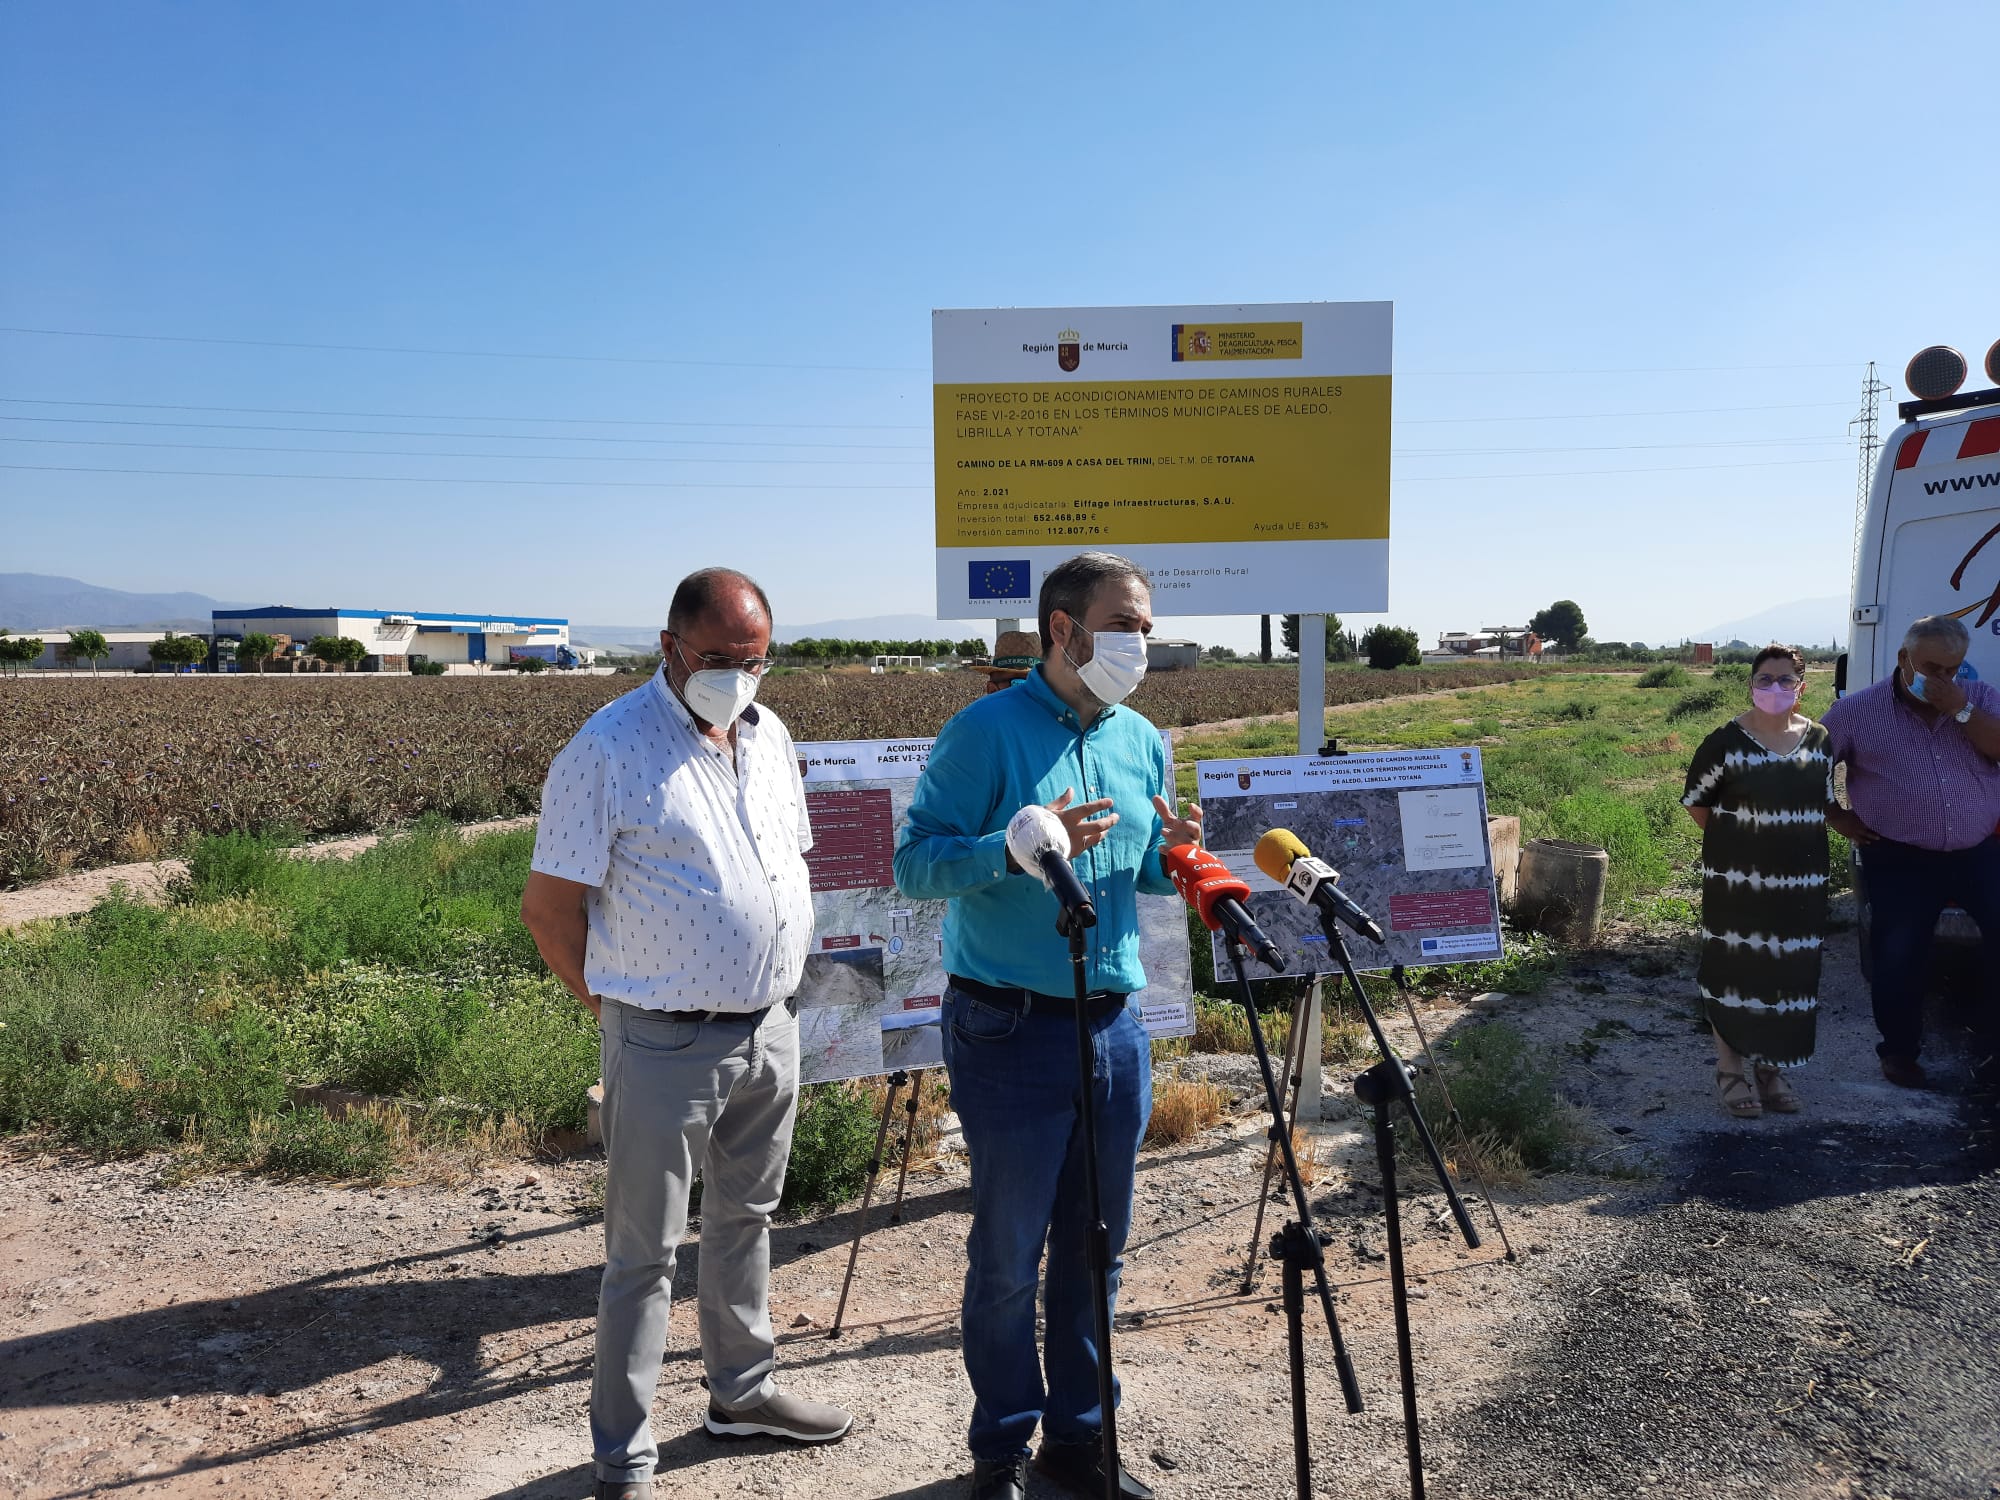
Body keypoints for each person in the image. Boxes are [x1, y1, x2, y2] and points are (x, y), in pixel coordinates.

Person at [520, 568, 851, 1500]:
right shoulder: (608, 748)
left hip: (769, 1028)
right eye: (720, 661)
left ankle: (741, 1394)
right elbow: (548, 910)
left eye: (756, 661)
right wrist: (617, 1012)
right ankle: (622, 1456)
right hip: (663, 1040)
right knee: (643, 1256)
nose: (741, 679)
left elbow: (785, 867)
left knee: (747, 1221)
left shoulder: (769, 733)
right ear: (670, 648)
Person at [893, 552, 1200, 1500]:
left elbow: (1139, 877)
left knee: (1096, 1247)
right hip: (1009, 1028)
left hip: (1113, 1029)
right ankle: (1002, 1451)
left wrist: (1177, 859)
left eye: (1147, 628)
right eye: (1127, 627)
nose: (1142, 645)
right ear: (1063, 630)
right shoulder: (983, 732)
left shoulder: (1142, 738)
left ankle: (1080, 1441)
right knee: (1008, 1253)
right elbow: (916, 865)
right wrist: (1018, 848)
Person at [1822, 614, 2000, 1089]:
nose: (1941, 679)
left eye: (1952, 669)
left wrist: (1961, 709)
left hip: (1978, 851)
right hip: (1901, 856)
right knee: (1899, 955)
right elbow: (1805, 768)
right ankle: (1899, 1053)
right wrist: (1836, 814)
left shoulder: (1979, 699)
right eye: (1931, 668)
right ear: (1903, 659)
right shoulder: (1856, 712)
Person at [1681, 645, 1830, 1117]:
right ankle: (1730, 1069)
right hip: (1738, 883)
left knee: (1789, 972)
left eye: (1785, 680)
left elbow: (1822, 803)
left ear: (1801, 688)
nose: (1774, 688)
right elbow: (1697, 804)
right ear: (1750, 684)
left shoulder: (1821, 740)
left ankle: (1771, 1070)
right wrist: (1743, 845)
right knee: (1735, 970)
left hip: (1802, 882)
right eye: (1765, 679)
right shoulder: (1725, 741)